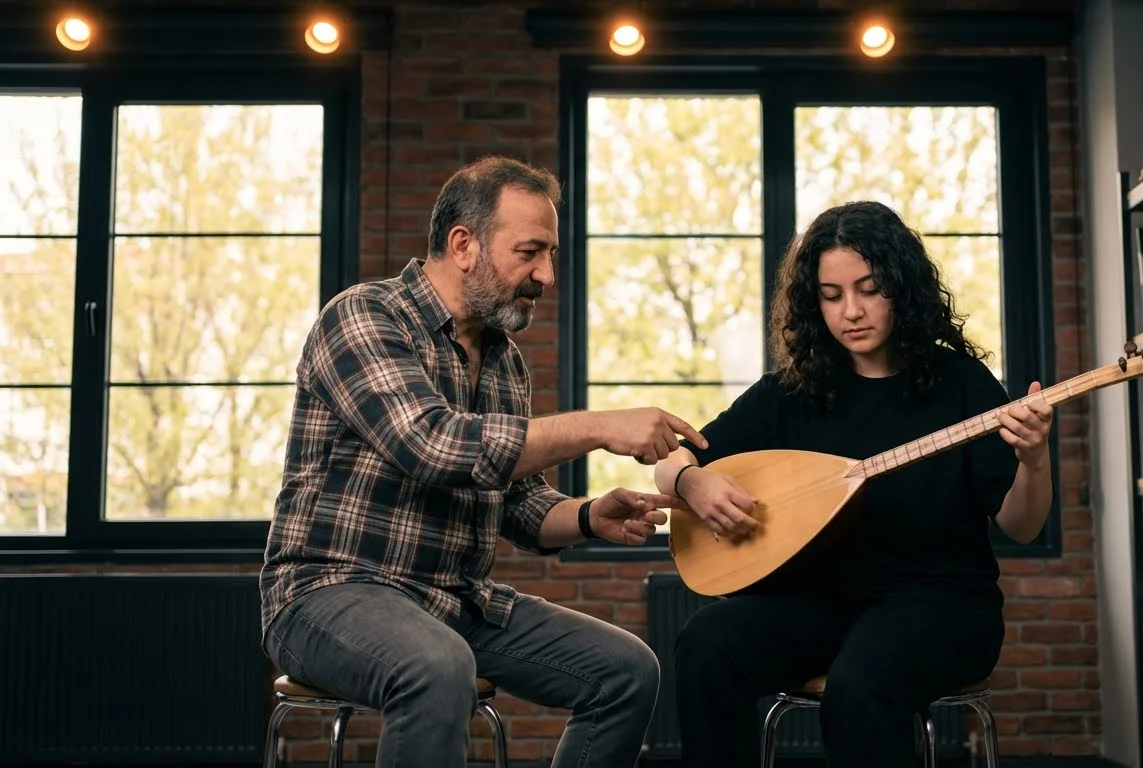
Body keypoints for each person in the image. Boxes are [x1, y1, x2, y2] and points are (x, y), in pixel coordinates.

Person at [259, 155, 709, 768]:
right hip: (328, 594)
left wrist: (587, 516)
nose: (547, 275)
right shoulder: (364, 316)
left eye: (551, 255)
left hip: (453, 601)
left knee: (627, 671)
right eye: (530, 252)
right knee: (438, 667)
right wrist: (602, 425)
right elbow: (434, 446)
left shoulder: (504, 362)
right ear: (463, 244)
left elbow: (517, 503)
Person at [653, 200, 1055, 768]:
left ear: (902, 288)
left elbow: (1022, 523)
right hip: (824, 603)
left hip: (942, 605)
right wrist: (692, 482)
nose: (852, 312)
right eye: (832, 295)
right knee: (706, 643)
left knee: (860, 685)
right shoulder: (794, 391)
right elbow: (669, 460)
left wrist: (1033, 458)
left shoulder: (960, 385)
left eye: (869, 288)